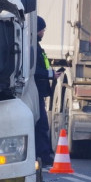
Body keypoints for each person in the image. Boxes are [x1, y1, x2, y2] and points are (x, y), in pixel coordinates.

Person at [34, 16, 55, 167]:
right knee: (41, 124)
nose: (43, 32)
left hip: (38, 91)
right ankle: (43, 155)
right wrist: (50, 75)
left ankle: (43, 153)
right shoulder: (33, 47)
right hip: (35, 91)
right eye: (42, 29)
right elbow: (34, 69)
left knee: (41, 124)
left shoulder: (36, 46)